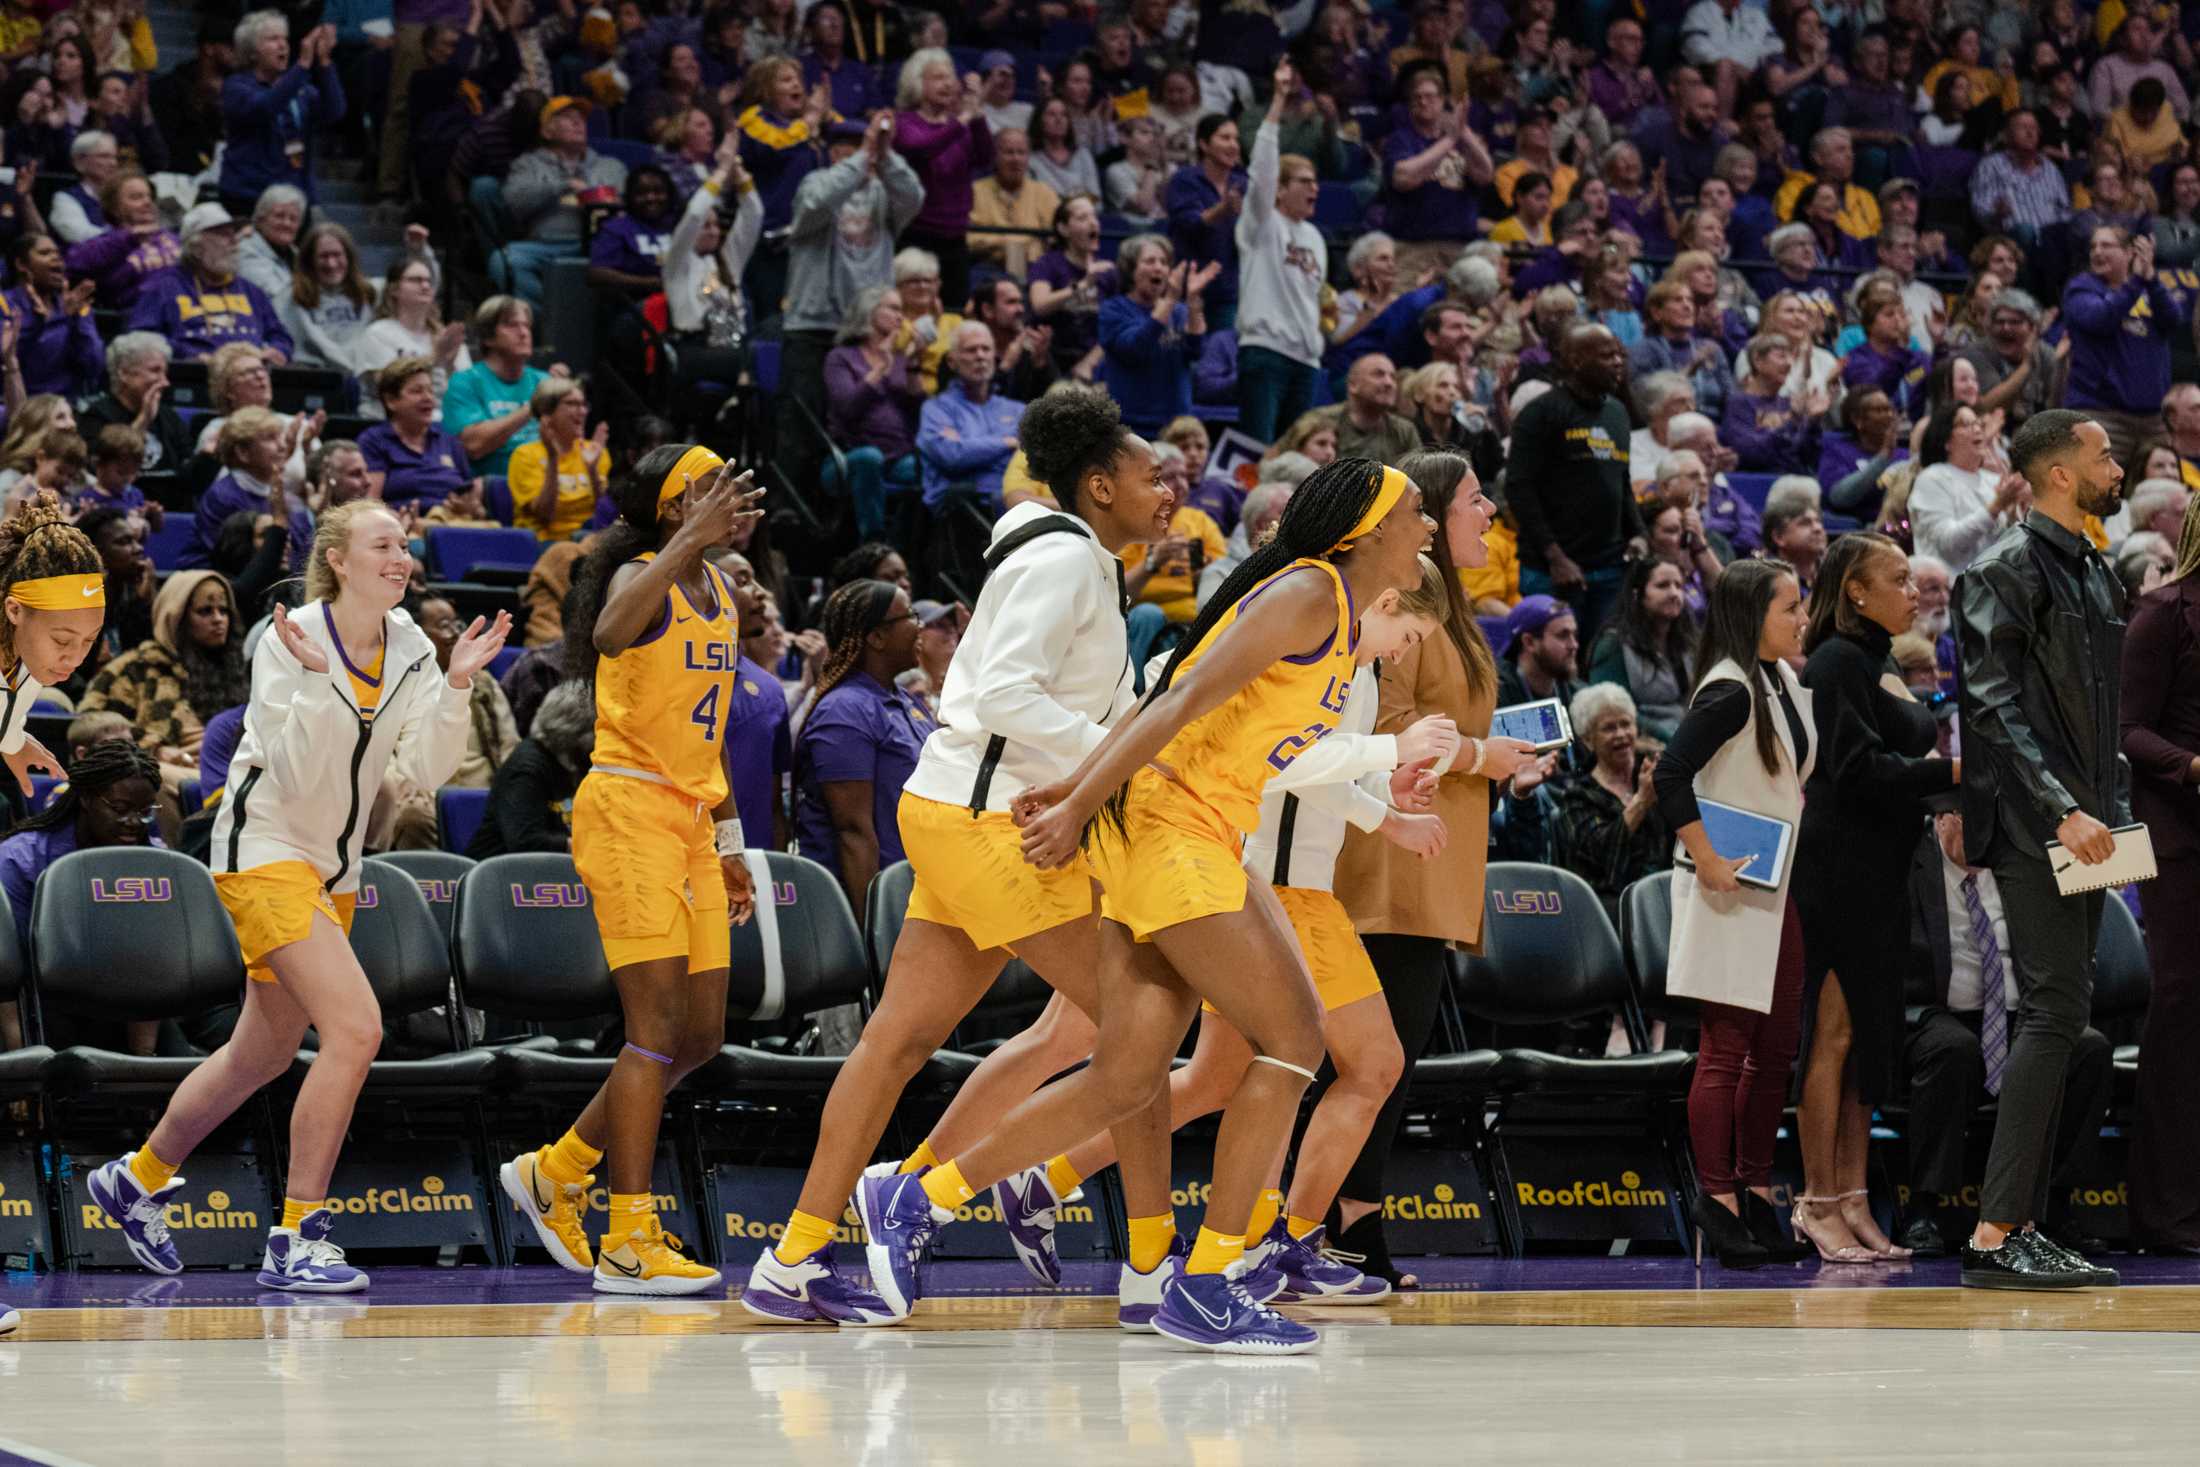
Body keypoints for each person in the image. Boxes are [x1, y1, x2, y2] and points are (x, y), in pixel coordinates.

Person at [857, 458, 1435, 1352]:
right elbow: (1176, 699)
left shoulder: (1338, 613)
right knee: (1294, 1039)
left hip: (1193, 829)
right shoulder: (1310, 594)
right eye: (1417, 510)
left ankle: (916, 1195)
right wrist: (1081, 800)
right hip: (1173, 831)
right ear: (1366, 527)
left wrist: (1083, 791)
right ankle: (1205, 1282)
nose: (1428, 524)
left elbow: (1221, 728)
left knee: (1128, 1074)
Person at [742, 388, 1176, 1324]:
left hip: (956, 813)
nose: (1171, 488)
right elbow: (1007, 696)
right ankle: (1145, 1261)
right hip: (989, 823)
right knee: (1137, 1033)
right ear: (1099, 486)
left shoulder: (1083, 557)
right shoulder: (1063, 559)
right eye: (1154, 475)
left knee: (896, 1043)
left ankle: (793, 1258)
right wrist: (1114, 764)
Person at [87, 498, 507, 1292]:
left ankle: (136, 1177)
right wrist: (319, 684)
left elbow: (419, 775)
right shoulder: (288, 639)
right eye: (384, 543)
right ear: (339, 559)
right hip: (263, 849)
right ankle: (297, 1233)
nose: (402, 555)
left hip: (334, 868)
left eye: (407, 544)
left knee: (264, 1050)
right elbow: (296, 774)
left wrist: (454, 689)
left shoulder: (414, 645)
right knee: (356, 1028)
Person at [1031, 556, 1462, 1305]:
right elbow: (1276, 759)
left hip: (1263, 874)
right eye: (1409, 632)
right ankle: (1256, 1250)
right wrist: (1393, 761)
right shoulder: (1300, 635)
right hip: (1256, 877)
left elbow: (1304, 765)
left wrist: (1382, 806)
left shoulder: (1349, 652)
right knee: (1324, 1064)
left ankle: (1045, 1181)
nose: (1404, 651)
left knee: (1218, 1076)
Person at [498, 446, 759, 1297]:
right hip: (627, 809)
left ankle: (556, 1169)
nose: (731, 496)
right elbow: (608, 635)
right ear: (675, 509)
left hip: (690, 819)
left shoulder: (719, 591)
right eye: (710, 488)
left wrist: (730, 846)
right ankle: (628, 1236)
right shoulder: (643, 576)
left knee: (701, 1035)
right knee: (652, 1031)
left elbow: (708, 732)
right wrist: (686, 541)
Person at [1323, 450, 1539, 1289]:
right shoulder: (1405, 603)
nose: (1489, 513)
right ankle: (1334, 1227)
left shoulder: (1453, 608)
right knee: (1371, 1060)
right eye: (1475, 500)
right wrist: (1486, 754)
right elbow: (1395, 721)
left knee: (1393, 1060)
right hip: (1389, 854)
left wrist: (1493, 756)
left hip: (1432, 849)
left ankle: (1349, 1227)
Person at [1954, 409, 2129, 1290]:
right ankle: (1996, 1233)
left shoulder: (2096, 568)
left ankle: (2024, 1222)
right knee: (2055, 1010)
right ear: (2060, 471)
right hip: (2036, 824)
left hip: (2094, 824)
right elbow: (1988, 705)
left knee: (2068, 1013)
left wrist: (2116, 809)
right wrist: (2062, 807)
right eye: (2102, 453)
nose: (2115, 462)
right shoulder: (1999, 570)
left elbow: (2106, 715)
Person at [1788, 534, 1958, 1262]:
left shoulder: (1878, 659)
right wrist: (1943, 769)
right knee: (1833, 1038)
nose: (1912, 588)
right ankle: (1816, 1200)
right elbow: (1854, 768)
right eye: (1897, 578)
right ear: (1854, 590)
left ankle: (1855, 1199)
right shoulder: (1833, 662)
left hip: (1884, 865)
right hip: (1840, 867)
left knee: (1871, 1043)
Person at [1655, 559, 1812, 1269]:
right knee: (1724, 1052)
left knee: (1776, 1048)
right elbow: (1669, 773)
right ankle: (1715, 1195)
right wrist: (1708, 858)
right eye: (1791, 606)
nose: (1803, 616)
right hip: (1731, 887)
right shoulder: (1729, 687)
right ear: (1755, 614)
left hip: (1775, 890)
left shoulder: (1777, 680)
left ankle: (1752, 1186)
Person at [1898, 803, 2115, 1257]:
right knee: (1952, 1051)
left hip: (2022, 1011)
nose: (1979, 833)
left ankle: (2055, 1204)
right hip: (1943, 1011)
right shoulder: (1910, 865)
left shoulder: (2018, 863)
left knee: (2088, 1050)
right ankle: (1923, 1208)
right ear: (1940, 820)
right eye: (1964, 817)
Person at [2117, 505, 2200, 1252]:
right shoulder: (2163, 613)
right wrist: (2191, 765)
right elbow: (2129, 730)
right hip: (2179, 837)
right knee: (2178, 1009)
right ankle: (2163, 1210)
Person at [789, 577, 936, 905]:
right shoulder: (844, 711)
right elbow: (853, 833)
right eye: (910, 615)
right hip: (868, 898)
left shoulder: (906, 702)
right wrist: (872, 931)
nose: (920, 625)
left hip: (916, 887)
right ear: (877, 636)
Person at [1505, 322, 1643, 644]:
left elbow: (1621, 482)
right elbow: (1519, 489)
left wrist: (1638, 533)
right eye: (1607, 355)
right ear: (1577, 360)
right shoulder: (1540, 413)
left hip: (1608, 567)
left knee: (1599, 658)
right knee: (1553, 661)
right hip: (1551, 569)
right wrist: (1555, 557)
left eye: (1619, 355)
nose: (1618, 362)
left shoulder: (1617, 413)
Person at [79, 568, 249, 800]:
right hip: (176, 773)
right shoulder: (137, 668)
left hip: (234, 771)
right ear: (176, 616)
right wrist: (154, 749)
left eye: (224, 610)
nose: (218, 619)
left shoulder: (240, 671)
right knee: (155, 778)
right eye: (205, 611)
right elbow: (93, 727)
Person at [1236, 61, 1327, 446]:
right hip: (1265, 351)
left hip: (1305, 360)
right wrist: (1277, 102)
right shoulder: (1261, 223)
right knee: (1259, 448)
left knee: (1299, 456)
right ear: (1280, 189)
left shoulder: (1316, 237)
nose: (1315, 189)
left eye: (1316, 182)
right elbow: (1262, 170)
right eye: (1305, 182)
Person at [2064, 228, 2186, 464]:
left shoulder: (2149, 289)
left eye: (2106, 245)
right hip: (2102, 415)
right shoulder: (2081, 288)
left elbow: (2174, 319)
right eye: (2093, 246)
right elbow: (2100, 318)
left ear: (2129, 253)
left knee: (2164, 492)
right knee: (2099, 493)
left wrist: (2151, 279)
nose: (2097, 252)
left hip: (2152, 419)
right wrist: (2137, 282)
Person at [1552, 682, 1670, 923]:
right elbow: (1605, 860)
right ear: (1588, 739)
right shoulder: (1577, 797)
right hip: (1609, 912)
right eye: (1608, 728)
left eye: (1626, 724)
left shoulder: (1653, 775)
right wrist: (1641, 802)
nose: (1621, 734)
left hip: (1666, 894)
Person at [127, 204, 293, 365]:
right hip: (194, 379)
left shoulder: (251, 292)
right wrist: (187, 355)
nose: (234, 241)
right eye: (223, 235)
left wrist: (278, 351)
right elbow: (142, 338)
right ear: (196, 246)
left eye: (233, 234)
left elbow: (280, 336)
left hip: (251, 375)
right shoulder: (162, 287)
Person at [500, 97, 628, 304]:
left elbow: (630, 209)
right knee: (504, 260)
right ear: (546, 132)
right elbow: (514, 204)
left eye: (581, 119)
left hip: (602, 246)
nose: (578, 123)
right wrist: (564, 185)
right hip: (548, 244)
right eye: (567, 118)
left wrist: (601, 202)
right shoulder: (528, 164)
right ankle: (544, 316)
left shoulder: (611, 166)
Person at [891, 49, 991, 307]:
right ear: (917, 83)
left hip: (955, 239)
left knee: (954, 316)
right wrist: (964, 119)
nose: (947, 84)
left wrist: (978, 115)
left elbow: (985, 157)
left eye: (950, 77)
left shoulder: (958, 126)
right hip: (917, 236)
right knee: (912, 313)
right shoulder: (905, 123)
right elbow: (921, 148)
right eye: (937, 78)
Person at [219, 14, 344, 214]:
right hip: (248, 197)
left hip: (295, 196)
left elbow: (334, 111)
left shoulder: (300, 87)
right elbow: (265, 107)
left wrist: (325, 61)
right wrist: (302, 64)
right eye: (273, 39)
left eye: (284, 39)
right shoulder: (236, 87)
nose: (282, 45)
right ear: (252, 52)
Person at [1098, 236, 1214, 437]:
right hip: (1130, 427)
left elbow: (1197, 352)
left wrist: (1194, 303)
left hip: (1175, 427)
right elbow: (1136, 349)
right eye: (1150, 261)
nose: (1159, 268)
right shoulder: (1113, 310)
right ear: (1131, 269)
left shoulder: (1179, 311)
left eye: (1164, 262)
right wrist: (1169, 300)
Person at [444, 297, 556, 479]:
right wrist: (531, 408)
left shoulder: (544, 381)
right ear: (488, 338)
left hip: (545, 482)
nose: (523, 333)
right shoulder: (465, 382)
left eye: (526, 326)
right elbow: (474, 446)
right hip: (493, 487)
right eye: (512, 325)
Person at [917, 323, 1023, 514]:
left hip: (1015, 499)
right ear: (951, 361)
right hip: (964, 510)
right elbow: (952, 456)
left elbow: (1031, 456)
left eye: (986, 349)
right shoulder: (936, 409)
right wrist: (1007, 443)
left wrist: (971, 448)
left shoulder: (1016, 409)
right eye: (970, 350)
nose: (980, 356)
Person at [1586, 556, 1695, 740]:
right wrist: (1672, 739)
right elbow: (1612, 711)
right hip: (1643, 742)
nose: (1674, 593)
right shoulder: (1613, 645)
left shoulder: (1686, 640)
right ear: (1637, 595)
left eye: (1679, 586)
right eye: (1662, 586)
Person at [1911, 404, 2031, 572]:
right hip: (1949, 587)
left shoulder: (1993, 480)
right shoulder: (1932, 478)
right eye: (1966, 424)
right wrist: (1995, 507)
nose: (1977, 429)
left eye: (1978, 424)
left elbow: (2005, 547)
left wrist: (2013, 516)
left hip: (1993, 585)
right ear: (1946, 440)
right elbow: (1949, 544)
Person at [353, 255, 470, 419]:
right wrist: (438, 360)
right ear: (394, 289)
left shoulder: (446, 337)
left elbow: (466, 395)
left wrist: (449, 365)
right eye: (416, 280)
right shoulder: (377, 333)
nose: (425, 285)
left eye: (429, 281)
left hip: (441, 424)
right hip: (387, 425)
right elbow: (392, 391)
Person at [359, 359, 476, 515]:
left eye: (430, 390)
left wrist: (467, 508)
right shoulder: (374, 441)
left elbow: (473, 503)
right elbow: (370, 505)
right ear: (391, 401)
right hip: (404, 528)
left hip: (453, 525)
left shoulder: (448, 439)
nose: (428, 398)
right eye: (417, 391)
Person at [508, 378, 613, 543]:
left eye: (584, 404)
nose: (583, 411)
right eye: (572, 404)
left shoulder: (595, 452)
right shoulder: (524, 455)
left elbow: (604, 515)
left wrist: (592, 471)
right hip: (544, 544)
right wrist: (552, 457)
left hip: (589, 540)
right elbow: (545, 515)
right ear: (547, 412)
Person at [65, 170, 180, 313]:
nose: (147, 202)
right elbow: (73, 263)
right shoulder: (105, 244)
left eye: (149, 197)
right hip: (140, 317)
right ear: (115, 208)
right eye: (136, 197)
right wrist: (129, 238)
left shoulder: (173, 238)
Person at [279, 222, 378, 377]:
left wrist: (419, 253)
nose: (331, 264)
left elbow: (414, 288)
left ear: (349, 257)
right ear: (310, 260)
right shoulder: (291, 298)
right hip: (317, 379)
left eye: (337, 255)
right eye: (323, 256)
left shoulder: (368, 292)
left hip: (361, 376)